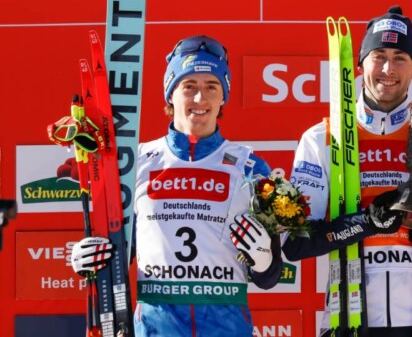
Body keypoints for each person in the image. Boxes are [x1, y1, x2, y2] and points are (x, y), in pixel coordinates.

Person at [282, 6, 412, 336]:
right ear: (361, 64)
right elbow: (296, 242)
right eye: (378, 56)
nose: (388, 69)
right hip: (347, 319)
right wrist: (365, 222)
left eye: (400, 57)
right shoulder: (324, 138)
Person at [70, 35, 283, 336]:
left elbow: (269, 277)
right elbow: (118, 254)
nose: (200, 99)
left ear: (224, 97)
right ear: (170, 94)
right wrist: (90, 259)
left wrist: (264, 260)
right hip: (156, 328)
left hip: (226, 328)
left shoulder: (250, 167)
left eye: (212, 87)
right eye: (189, 87)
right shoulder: (137, 161)